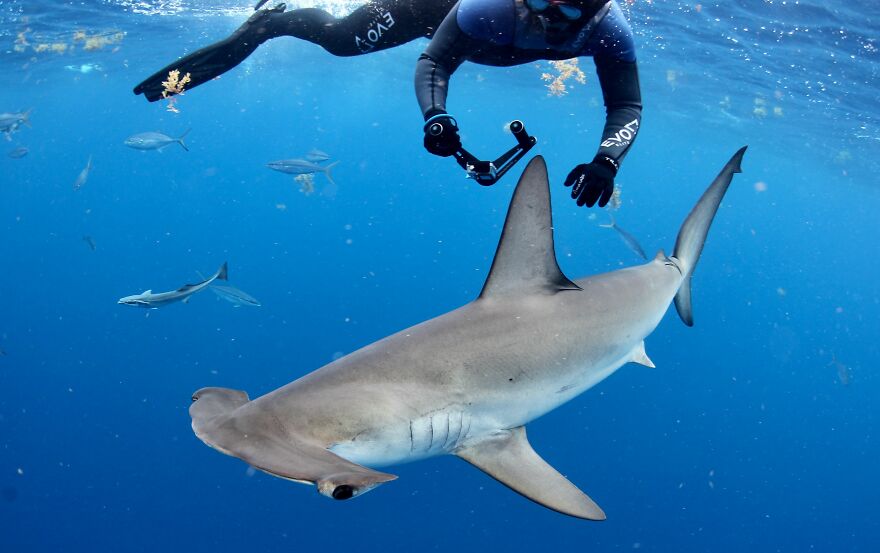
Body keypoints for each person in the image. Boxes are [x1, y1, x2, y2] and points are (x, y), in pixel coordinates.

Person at [417, 0, 642, 207]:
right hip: (431, 9)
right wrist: (435, 115)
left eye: (566, 11)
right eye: (539, 2)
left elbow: (625, 104)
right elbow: (436, 60)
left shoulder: (608, 28)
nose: (546, 18)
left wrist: (607, 161)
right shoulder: (488, 6)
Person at [133, 1, 457, 101]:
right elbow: (436, 61)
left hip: (443, 23)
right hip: (418, 10)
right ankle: (269, 24)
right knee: (341, 41)